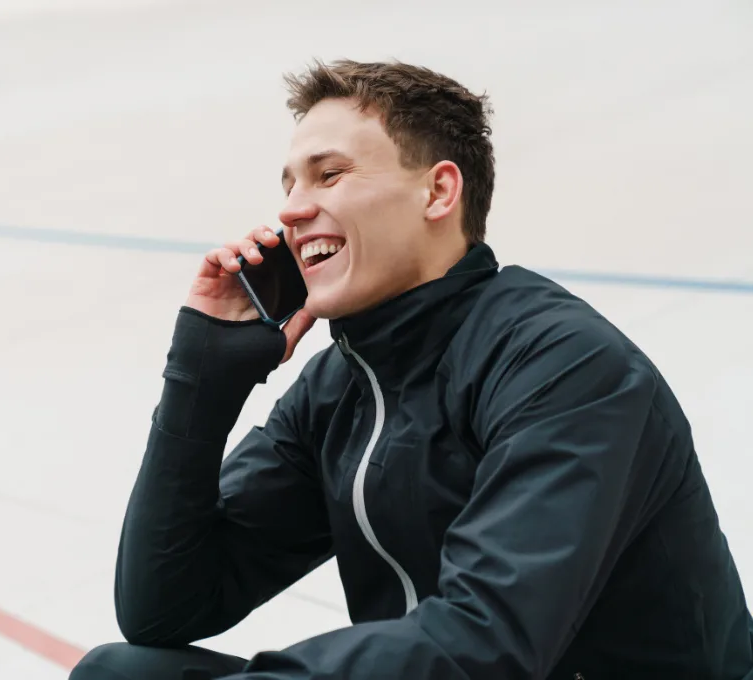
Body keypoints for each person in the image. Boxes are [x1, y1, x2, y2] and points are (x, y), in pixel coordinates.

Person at [71, 59, 753, 679]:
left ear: (438, 193)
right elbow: (164, 608)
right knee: (122, 673)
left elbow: (487, 639)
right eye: (288, 184)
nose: (290, 210)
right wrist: (202, 382)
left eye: (329, 174)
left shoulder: (565, 366)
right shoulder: (340, 386)